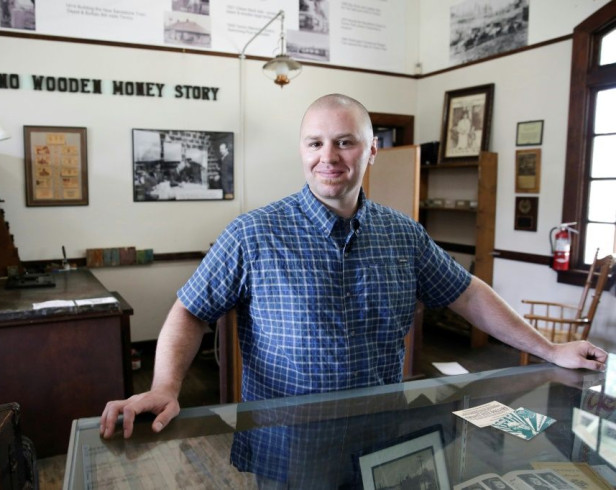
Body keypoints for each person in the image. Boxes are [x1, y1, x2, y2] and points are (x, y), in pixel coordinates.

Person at [101, 93, 606, 442]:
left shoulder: (403, 233)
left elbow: (466, 292)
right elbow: (191, 311)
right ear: (302, 150)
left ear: (371, 151)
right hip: (288, 445)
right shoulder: (252, 233)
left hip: (383, 435)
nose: (329, 156)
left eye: (344, 141)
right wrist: (165, 387)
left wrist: (548, 348)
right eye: (315, 143)